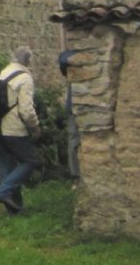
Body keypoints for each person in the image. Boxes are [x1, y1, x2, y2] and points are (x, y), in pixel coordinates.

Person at [0, 46, 42, 214]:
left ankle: (14, 210)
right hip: (13, 129)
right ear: (28, 61)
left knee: (6, 167)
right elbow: (26, 110)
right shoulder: (24, 78)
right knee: (31, 160)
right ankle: (3, 192)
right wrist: (35, 127)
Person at [58, 49, 81, 181]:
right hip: (73, 107)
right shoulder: (70, 55)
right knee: (73, 141)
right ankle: (75, 175)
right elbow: (63, 60)